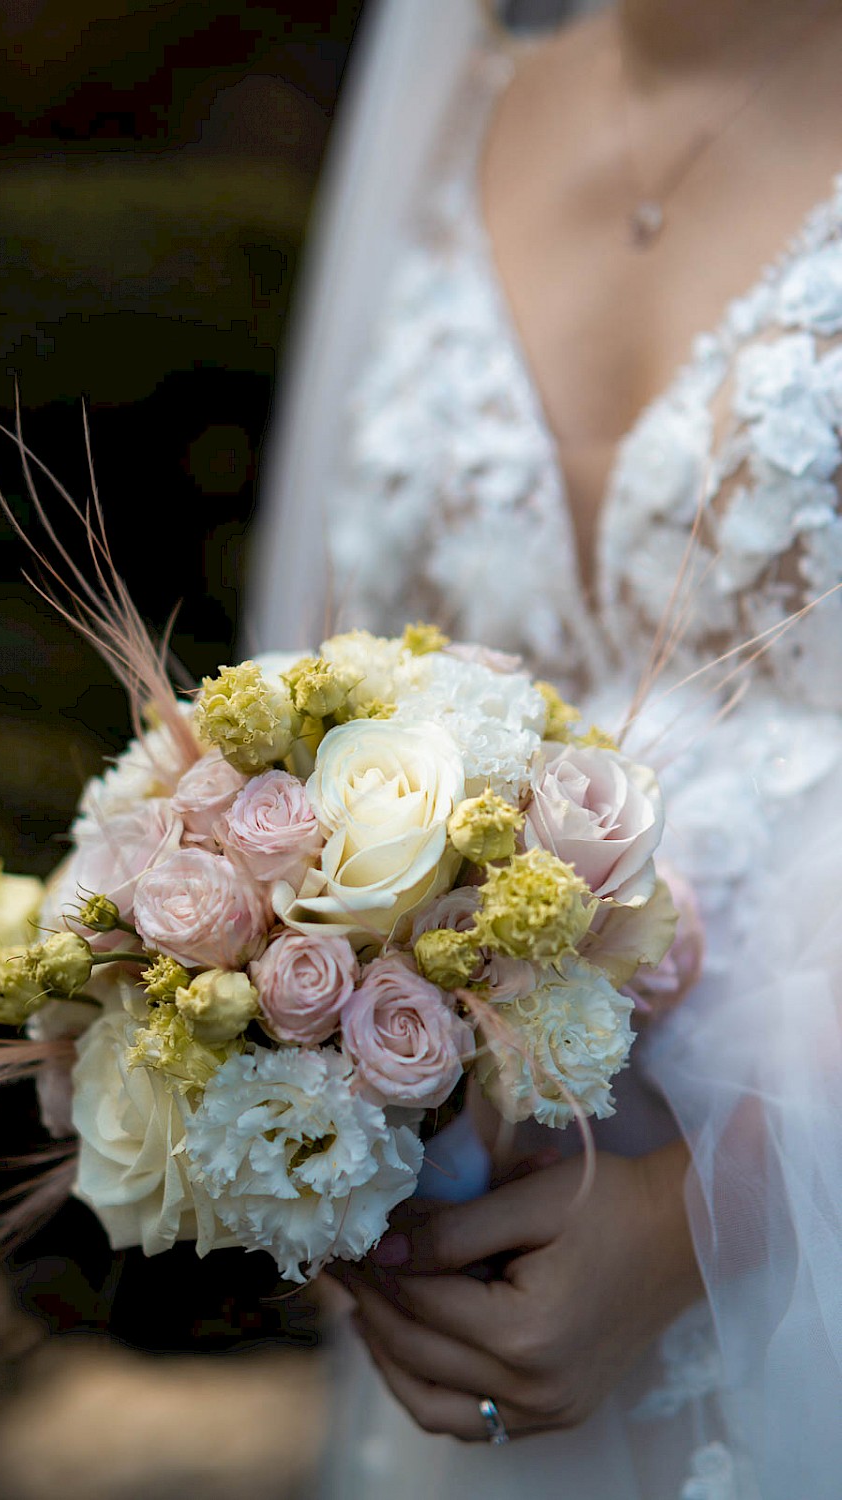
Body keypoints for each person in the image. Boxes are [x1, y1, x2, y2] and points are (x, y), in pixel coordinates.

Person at [248, 0, 842, 1495]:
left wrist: (710, 1215)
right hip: (475, 1277)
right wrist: (300, 1137)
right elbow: (315, 709)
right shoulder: (450, 110)